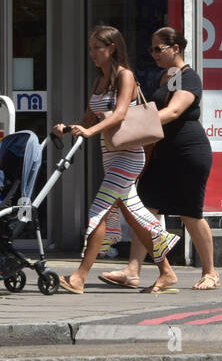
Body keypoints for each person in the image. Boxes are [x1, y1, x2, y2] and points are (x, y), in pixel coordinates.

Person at [52, 25, 180, 294]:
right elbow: (89, 117)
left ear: (111, 48)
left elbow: (120, 114)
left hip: (129, 155)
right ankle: (166, 272)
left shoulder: (126, 76)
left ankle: (79, 276)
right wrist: (68, 128)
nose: (92, 54)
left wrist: (89, 131)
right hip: (110, 153)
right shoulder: (99, 80)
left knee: (97, 210)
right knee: (134, 216)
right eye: (90, 49)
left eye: (96, 48)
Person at [102, 27, 220, 291]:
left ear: (175, 48)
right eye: (151, 49)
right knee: (146, 209)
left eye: (159, 48)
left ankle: (210, 272)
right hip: (161, 151)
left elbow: (174, 111)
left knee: (190, 213)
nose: (153, 54)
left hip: (188, 151)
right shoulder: (165, 77)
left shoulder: (189, 78)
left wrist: (129, 123)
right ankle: (132, 270)